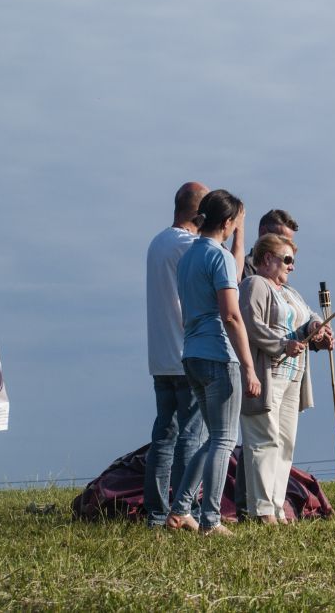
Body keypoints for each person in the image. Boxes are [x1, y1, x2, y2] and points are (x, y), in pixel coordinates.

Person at [166, 189, 262, 536]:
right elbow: (231, 315)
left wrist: (240, 230)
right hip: (218, 355)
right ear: (227, 222)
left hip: (191, 353)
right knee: (224, 439)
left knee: (212, 438)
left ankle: (179, 509)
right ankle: (211, 519)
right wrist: (249, 366)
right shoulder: (217, 257)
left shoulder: (189, 256)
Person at [238, 233, 334, 523]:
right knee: (263, 440)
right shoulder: (254, 284)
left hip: (294, 377)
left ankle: (278, 508)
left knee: (284, 442)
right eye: (287, 259)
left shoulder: (290, 292)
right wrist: (283, 344)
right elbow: (250, 326)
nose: (292, 266)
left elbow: (307, 318)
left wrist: (317, 327)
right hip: (267, 375)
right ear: (267, 259)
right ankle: (262, 509)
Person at [143, 181, 209, 528]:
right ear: (200, 214)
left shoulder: (157, 242)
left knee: (163, 434)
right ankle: (185, 509)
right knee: (191, 435)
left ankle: (155, 512)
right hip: (187, 350)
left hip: (160, 354)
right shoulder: (189, 245)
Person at [242, 209, 299, 279]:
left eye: (290, 241)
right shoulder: (247, 265)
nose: (288, 246)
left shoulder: (282, 272)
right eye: (282, 239)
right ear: (263, 232)